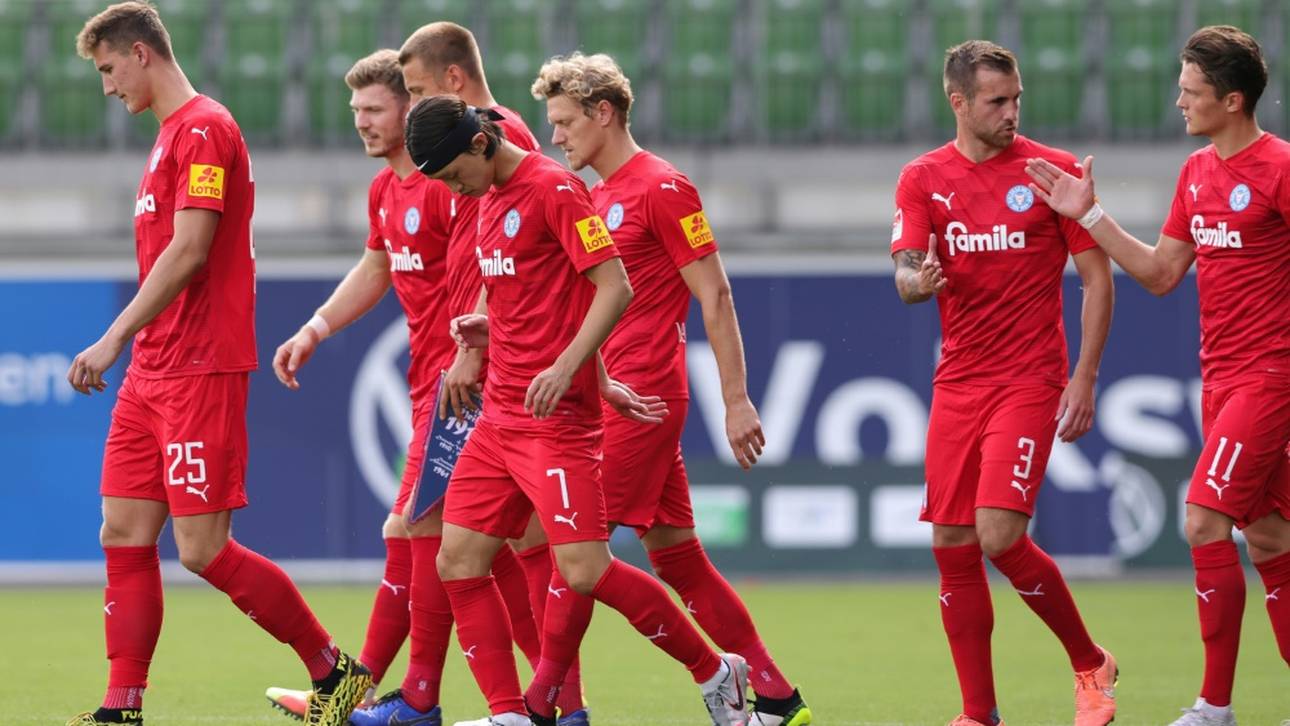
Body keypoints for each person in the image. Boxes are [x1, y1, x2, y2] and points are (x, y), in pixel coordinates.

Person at [64, 3, 369, 726]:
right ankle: (120, 708)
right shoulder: (168, 138)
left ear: (141, 53)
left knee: (202, 550)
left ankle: (335, 671)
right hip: (154, 370)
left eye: (108, 69)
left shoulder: (204, 127)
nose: (108, 88)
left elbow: (192, 250)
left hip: (200, 365)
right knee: (123, 532)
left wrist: (112, 337)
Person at [406, 94, 749, 726]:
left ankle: (715, 670)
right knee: (456, 558)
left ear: (479, 144)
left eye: (455, 174)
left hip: (556, 420)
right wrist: (491, 333)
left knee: (586, 570)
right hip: (501, 417)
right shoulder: (485, 204)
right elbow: (541, 299)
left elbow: (615, 285)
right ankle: (510, 713)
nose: (455, 191)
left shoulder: (555, 189)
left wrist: (572, 369)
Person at [528, 52, 811, 726]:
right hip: (615, 398)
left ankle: (540, 708)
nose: (556, 137)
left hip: (642, 399)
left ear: (605, 113)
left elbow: (714, 294)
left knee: (575, 559)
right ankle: (775, 695)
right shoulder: (591, 195)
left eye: (565, 122)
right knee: (678, 558)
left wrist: (736, 399)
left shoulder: (663, 187)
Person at [1025, 25, 1290, 726]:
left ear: (1232, 100)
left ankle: (1214, 707)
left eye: (1191, 90)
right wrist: (1092, 216)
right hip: (1221, 381)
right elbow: (1162, 273)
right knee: (1269, 540)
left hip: (1273, 376)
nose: (1179, 100)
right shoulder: (1197, 173)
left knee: (1204, 518)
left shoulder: (1281, 169)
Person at [891, 40, 1117, 726]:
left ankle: (1089, 662)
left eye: (1016, 98)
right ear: (957, 102)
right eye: (997, 101)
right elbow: (904, 274)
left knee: (996, 534)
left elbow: (1098, 280)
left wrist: (1084, 376)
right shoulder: (922, 177)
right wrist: (917, 281)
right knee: (952, 543)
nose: (1012, 111)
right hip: (959, 382)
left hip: (1029, 378)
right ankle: (978, 714)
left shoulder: (1054, 174)